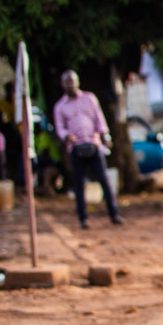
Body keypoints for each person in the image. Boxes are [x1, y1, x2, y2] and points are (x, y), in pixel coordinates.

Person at [53, 70, 122, 228]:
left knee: (104, 180)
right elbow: (60, 129)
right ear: (63, 85)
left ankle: (114, 214)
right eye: (67, 82)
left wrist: (106, 136)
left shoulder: (90, 98)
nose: (70, 85)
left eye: (72, 81)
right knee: (79, 184)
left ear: (78, 82)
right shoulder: (60, 107)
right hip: (76, 148)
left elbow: (100, 120)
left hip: (94, 145)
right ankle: (83, 218)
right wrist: (66, 136)